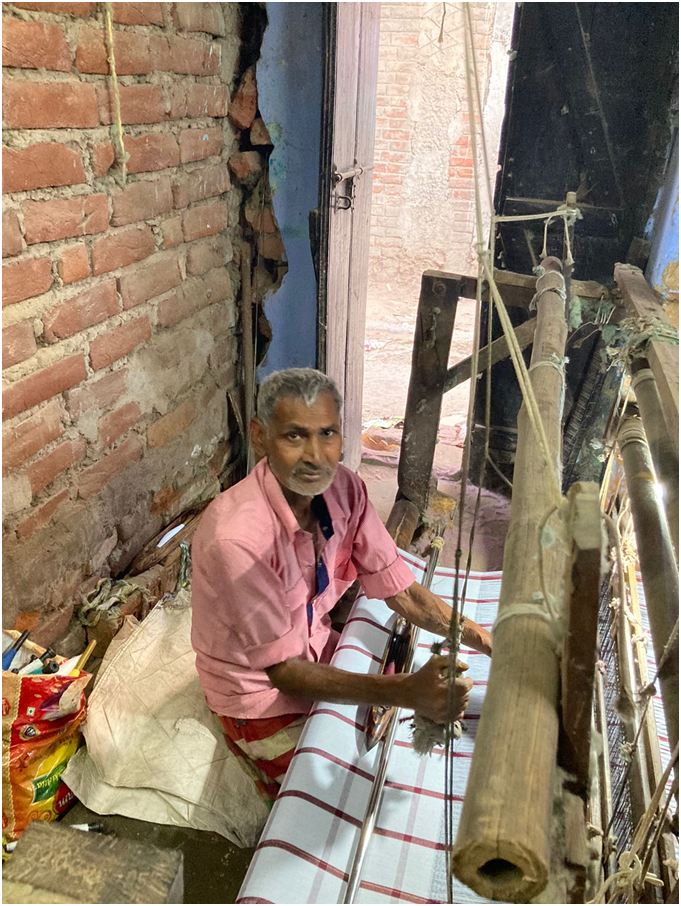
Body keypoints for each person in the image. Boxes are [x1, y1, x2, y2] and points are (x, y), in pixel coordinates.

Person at [191, 368, 491, 803]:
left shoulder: (345, 489)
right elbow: (285, 672)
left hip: (317, 647)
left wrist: (485, 639)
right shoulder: (237, 540)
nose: (315, 456)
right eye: (294, 437)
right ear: (259, 437)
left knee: (390, 762)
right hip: (258, 695)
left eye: (327, 434)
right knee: (340, 803)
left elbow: (402, 592)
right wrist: (408, 693)